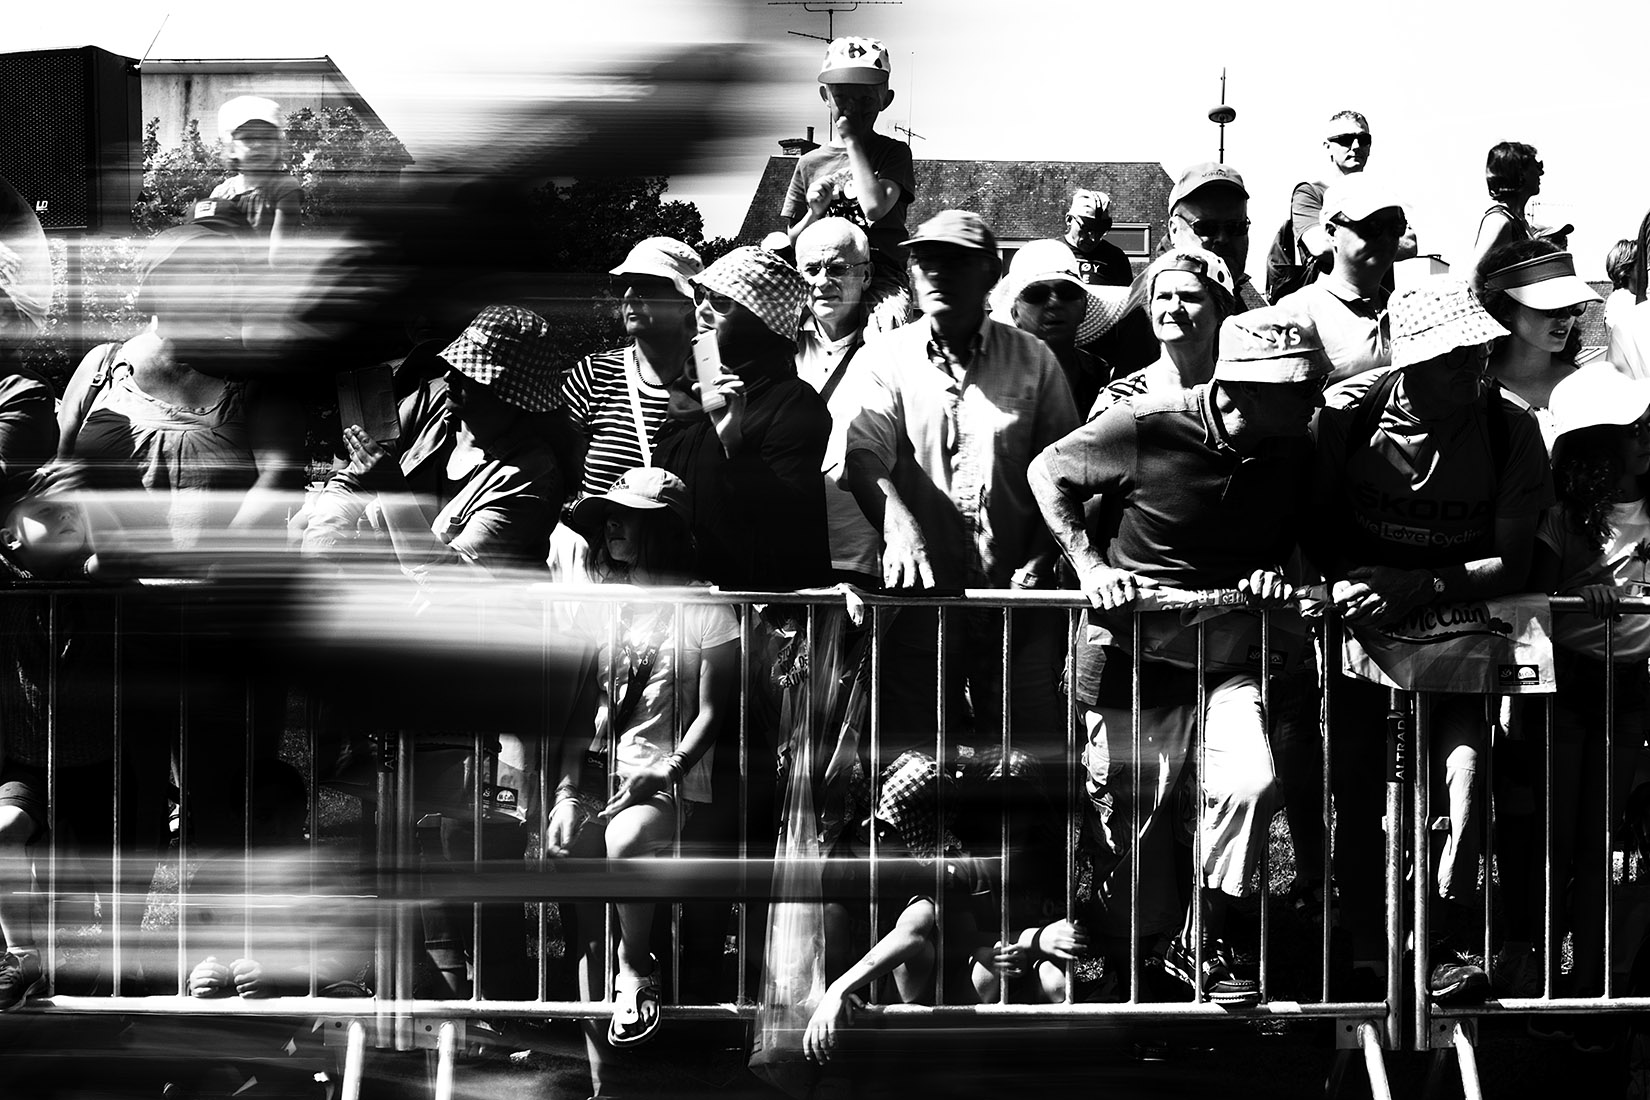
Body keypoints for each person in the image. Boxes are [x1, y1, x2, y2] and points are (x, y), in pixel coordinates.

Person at [1029, 304, 1329, 1005]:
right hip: (1133, 663)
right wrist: (1089, 567)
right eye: (1297, 387)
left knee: (1252, 786)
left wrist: (1276, 574)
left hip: (1229, 662)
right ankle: (1122, 976)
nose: (1312, 398)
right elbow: (1050, 472)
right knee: (1132, 829)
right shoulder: (1148, 424)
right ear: (1240, 390)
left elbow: (1302, 543)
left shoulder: (1297, 446)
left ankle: (1204, 935)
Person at [1313, 277, 1552, 1004]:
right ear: (1407, 359)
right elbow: (1313, 526)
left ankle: (1443, 942)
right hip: (1364, 627)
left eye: (1479, 352)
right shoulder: (1346, 417)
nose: (1472, 369)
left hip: (1459, 621)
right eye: (1453, 356)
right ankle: (1362, 943)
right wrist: (1343, 583)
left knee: (1466, 780)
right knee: (1359, 789)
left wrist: (1428, 582)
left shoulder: (1509, 426)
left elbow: (1516, 558)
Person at [840, 209, 1078, 760]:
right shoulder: (884, 357)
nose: (937, 274)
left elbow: (1062, 472)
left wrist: (1043, 557)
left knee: (1026, 767)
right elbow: (861, 452)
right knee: (913, 766)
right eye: (925, 261)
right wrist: (898, 524)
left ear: (990, 274)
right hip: (919, 604)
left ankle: (1021, 847)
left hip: (1017, 608)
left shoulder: (1033, 360)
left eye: (956, 262)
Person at [548, 468, 737, 1061]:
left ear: (662, 529)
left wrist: (669, 771)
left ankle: (635, 967)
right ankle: (601, 1070)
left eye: (624, 515)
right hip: (600, 781)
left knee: (626, 840)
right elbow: (582, 711)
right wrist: (564, 795)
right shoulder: (607, 605)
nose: (611, 525)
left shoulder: (708, 607)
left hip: (668, 787)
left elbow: (714, 712)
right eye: (609, 515)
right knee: (577, 893)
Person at [303, 303, 565, 574]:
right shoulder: (428, 404)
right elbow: (349, 482)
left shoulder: (531, 476)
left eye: (470, 371)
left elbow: (450, 581)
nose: (450, 374)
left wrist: (392, 489)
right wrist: (321, 551)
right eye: (456, 362)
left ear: (511, 394)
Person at [0, 472, 116, 1010]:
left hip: (95, 760)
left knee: (110, 874)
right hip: (23, 760)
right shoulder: (3, 578)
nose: (66, 517)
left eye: (73, 514)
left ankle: (125, 968)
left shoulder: (89, 574)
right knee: (2, 832)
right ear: (10, 539)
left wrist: (90, 500)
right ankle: (23, 956)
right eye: (47, 515)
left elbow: (117, 555)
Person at [653, 246, 830, 592]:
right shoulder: (689, 393)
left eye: (722, 302)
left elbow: (788, 518)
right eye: (701, 296)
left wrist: (734, 442)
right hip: (682, 605)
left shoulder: (795, 401)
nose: (701, 311)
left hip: (753, 614)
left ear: (759, 320)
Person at [559, 238, 703, 502]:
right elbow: (553, 468)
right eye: (624, 285)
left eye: (645, 286)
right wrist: (561, 524)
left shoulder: (710, 381)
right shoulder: (594, 375)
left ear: (686, 301)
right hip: (597, 539)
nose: (628, 296)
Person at [782, 35, 915, 311]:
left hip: (880, 274)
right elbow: (794, 240)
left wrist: (852, 141)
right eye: (842, 97)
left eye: (865, 98)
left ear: (885, 100)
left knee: (885, 325)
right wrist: (814, 212)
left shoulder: (894, 153)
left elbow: (875, 208)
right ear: (825, 97)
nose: (853, 107)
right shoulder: (808, 163)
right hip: (822, 274)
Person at [1091, 162, 1257, 379]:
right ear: (1174, 229)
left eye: (1236, 227)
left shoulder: (1229, 292)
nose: (1223, 238)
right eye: (1205, 227)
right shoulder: (1146, 307)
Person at [794, 217, 881, 585]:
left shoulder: (891, 348)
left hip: (863, 555)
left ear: (866, 275)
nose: (821, 281)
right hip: (788, 551)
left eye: (838, 268)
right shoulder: (778, 347)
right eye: (811, 269)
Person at [1278, 175, 1408, 383]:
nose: (1386, 239)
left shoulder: (1407, 312)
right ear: (1331, 231)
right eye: (1371, 227)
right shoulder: (1298, 312)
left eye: (1396, 228)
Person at [1475, 240, 1601, 449]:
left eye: (1574, 307)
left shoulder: (1586, 386)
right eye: (1550, 307)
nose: (1565, 318)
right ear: (1505, 309)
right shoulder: (1473, 388)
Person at [988, 238, 1129, 416]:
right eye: (1036, 294)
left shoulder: (1101, 375)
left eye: (1067, 292)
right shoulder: (992, 374)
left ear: (1084, 307)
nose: (1054, 302)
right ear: (1015, 313)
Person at [1286, 111, 1418, 294]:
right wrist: (1386, 240)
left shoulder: (1380, 194)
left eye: (1363, 139)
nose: (1356, 146)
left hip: (1379, 305)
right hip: (1330, 307)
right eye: (1345, 139)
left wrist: (1353, 241)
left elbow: (1410, 244)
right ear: (1327, 146)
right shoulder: (1310, 193)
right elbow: (1320, 246)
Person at [1093, 247, 1237, 414]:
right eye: (1164, 296)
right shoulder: (1120, 399)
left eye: (1190, 297)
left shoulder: (1244, 397)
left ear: (1222, 310)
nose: (1174, 308)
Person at [209, 96, 301, 264]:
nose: (259, 145)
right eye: (248, 138)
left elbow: (279, 255)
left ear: (279, 145)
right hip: (228, 277)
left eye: (267, 137)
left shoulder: (284, 188)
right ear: (230, 148)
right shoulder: (221, 192)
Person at [1468, 141, 1557, 275]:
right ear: (1519, 173)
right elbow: (1475, 277)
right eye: (1535, 166)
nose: (1541, 172)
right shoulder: (1499, 221)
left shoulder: (1518, 222)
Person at [1062, 189, 1133, 287]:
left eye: (1100, 232)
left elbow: (1128, 299)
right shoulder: (1050, 253)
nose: (1093, 239)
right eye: (1087, 229)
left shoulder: (1115, 258)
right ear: (1069, 220)